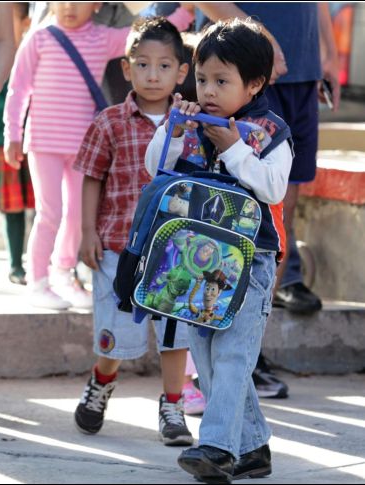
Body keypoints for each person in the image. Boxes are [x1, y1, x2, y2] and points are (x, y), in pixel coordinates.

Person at [144, 19, 293, 482]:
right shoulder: (192, 122)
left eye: (222, 81)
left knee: (232, 356)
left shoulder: (271, 131)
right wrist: (173, 130)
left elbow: (273, 188)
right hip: (197, 256)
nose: (208, 91)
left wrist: (234, 149)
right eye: (202, 79)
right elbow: (154, 169)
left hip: (251, 261)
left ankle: (216, 448)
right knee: (207, 356)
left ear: (255, 84)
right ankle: (253, 447)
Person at [4, 2, 193, 310]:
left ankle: (63, 274)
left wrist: (186, 12)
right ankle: (37, 281)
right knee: (50, 212)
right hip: (44, 142)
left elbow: (149, 38)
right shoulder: (39, 38)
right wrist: (12, 134)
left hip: (83, 144)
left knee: (77, 213)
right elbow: (18, 88)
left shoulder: (103, 38)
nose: (69, 6)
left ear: (96, 5)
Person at [196, 2, 340, 400]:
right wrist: (259, 35)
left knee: (276, 220)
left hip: (302, 72)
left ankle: (248, 351)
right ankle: (214, 347)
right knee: (228, 218)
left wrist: (327, 52)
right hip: (244, 64)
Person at [72, 16, 194, 447]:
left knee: (175, 332)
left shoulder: (191, 123)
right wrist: (87, 231)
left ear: (181, 72)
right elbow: (91, 177)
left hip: (177, 251)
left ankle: (173, 406)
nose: (152, 75)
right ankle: (102, 380)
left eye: (164, 66)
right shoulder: (109, 122)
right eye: (142, 65)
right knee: (115, 331)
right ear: (126, 69)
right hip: (118, 247)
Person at [0, 2, 35, 285]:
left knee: (15, 208)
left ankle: (16, 265)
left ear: (26, 24)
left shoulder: (24, 58)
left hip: (10, 141)